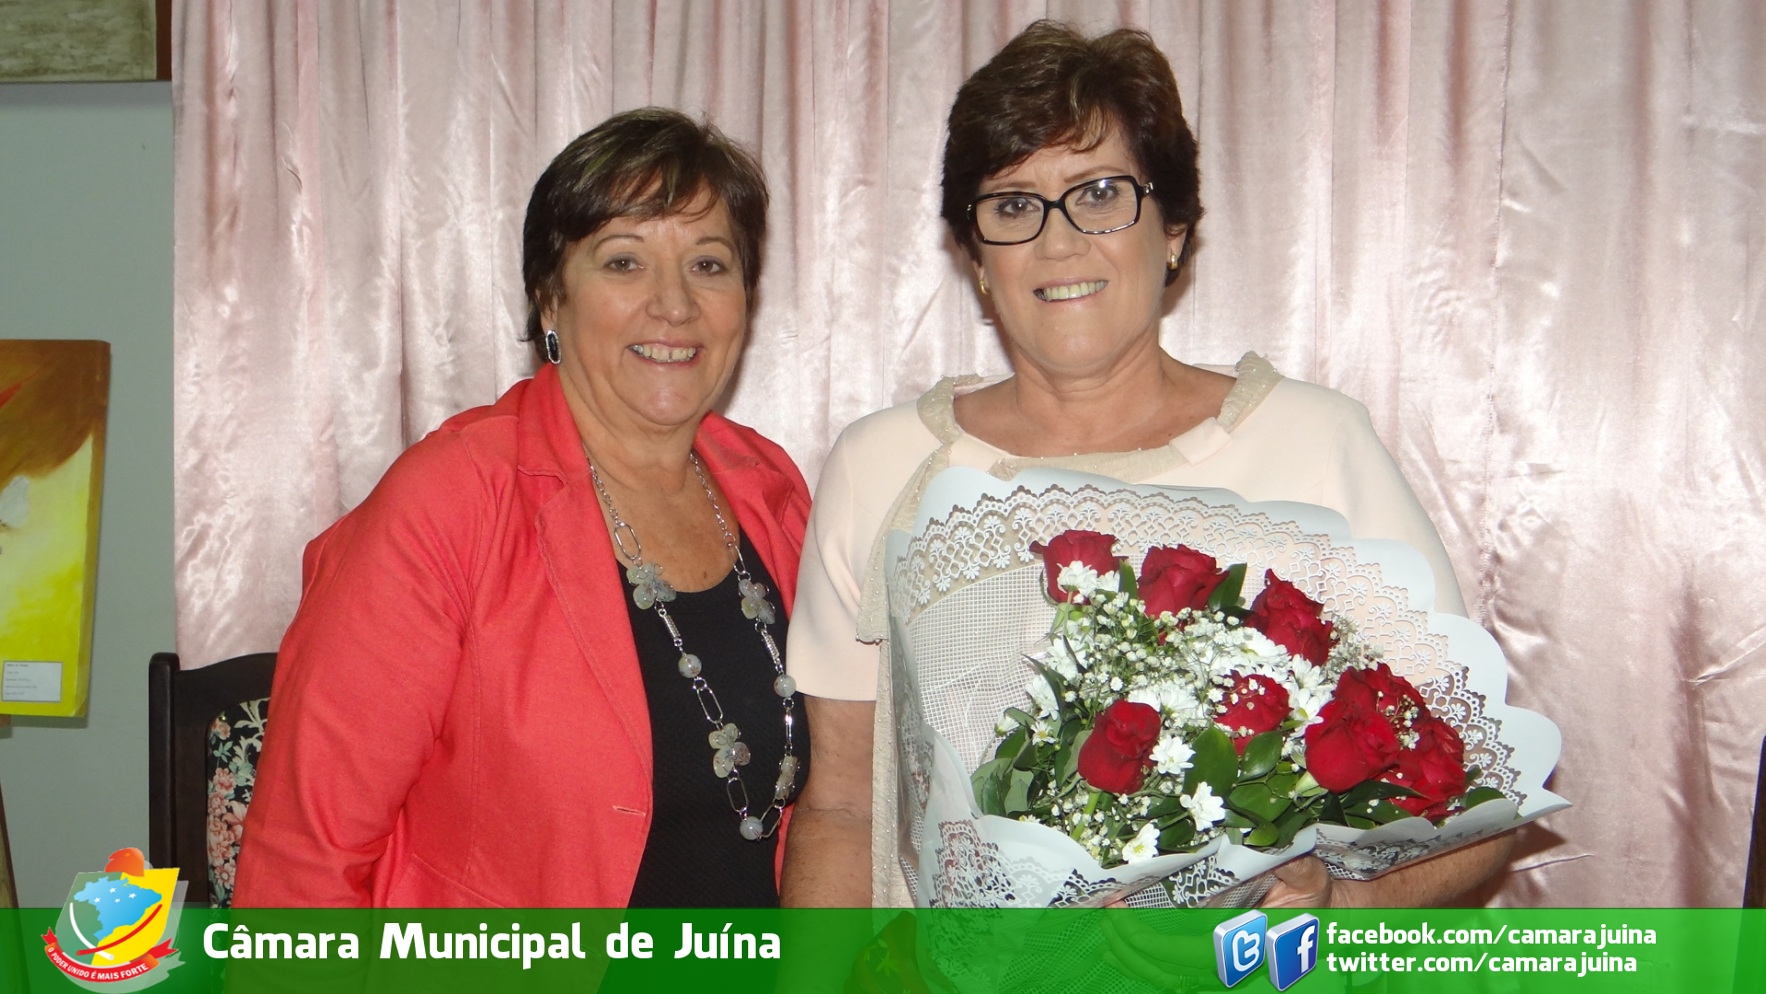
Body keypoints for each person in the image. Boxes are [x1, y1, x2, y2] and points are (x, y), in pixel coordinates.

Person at [780, 21, 1511, 910]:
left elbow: (1476, 804)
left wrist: (1341, 898)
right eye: (1013, 205)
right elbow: (845, 807)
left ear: (1173, 231)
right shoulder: (884, 466)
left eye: (1099, 193)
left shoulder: (1316, 446)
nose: (1058, 242)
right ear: (974, 256)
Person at [234, 108, 811, 907]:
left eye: (709, 264)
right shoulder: (451, 501)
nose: (674, 304)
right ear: (549, 298)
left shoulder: (770, 487)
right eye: (624, 262)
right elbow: (305, 855)